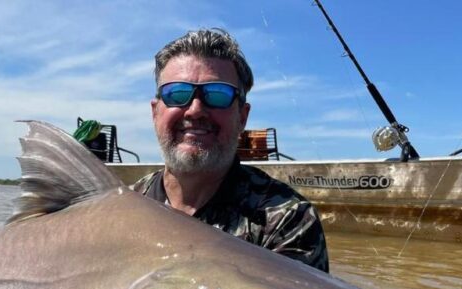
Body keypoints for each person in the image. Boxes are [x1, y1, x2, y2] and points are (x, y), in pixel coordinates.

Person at [132, 28, 329, 272]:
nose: (195, 110)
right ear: (155, 112)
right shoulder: (123, 208)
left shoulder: (285, 219)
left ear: (242, 117)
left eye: (218, 95)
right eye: (177, 93)